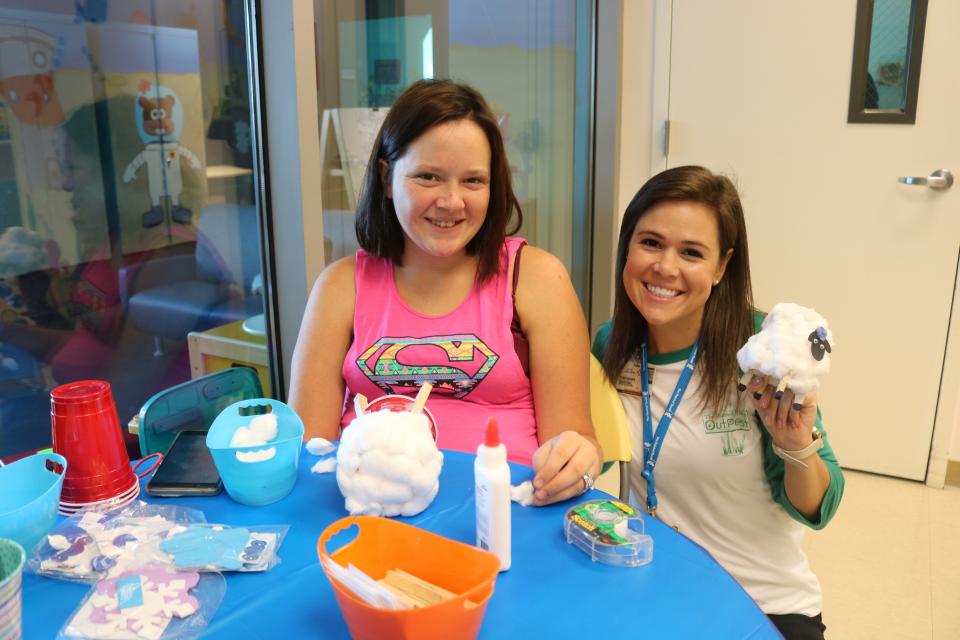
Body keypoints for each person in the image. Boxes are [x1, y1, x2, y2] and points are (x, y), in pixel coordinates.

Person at [289, 79, 602, 506]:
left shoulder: (537, 278)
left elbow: (578, 442)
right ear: (387, 177)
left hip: (505, 515)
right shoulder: (340, 286)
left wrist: (576, 466)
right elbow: (310, 452)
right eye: (428, 177)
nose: (452, 202)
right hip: (370, 518)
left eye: (474, 180)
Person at [591, 166, 843, 639]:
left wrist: (795, 444)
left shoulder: (762, 355)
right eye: (650, 243)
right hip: (650, 588)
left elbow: (818, 507)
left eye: (691, 253)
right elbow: (592, 450)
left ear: (722, 266)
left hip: (758, 602)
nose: (665, 267)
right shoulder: (612, 345)